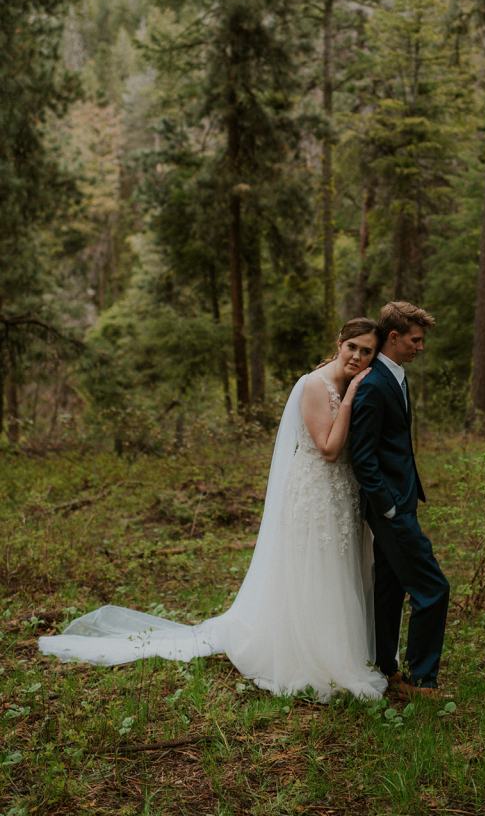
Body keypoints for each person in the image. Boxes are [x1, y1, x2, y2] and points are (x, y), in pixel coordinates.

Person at [38, 318, 387, 702]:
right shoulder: (316, 385)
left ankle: (339, 646)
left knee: (336, 570)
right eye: (352, 346)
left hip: (340, 493)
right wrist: (353, 396)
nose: (356, 355)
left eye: (366, 350)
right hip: (314, 492)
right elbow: (329, 448)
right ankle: (308, 654)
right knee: (313, 568)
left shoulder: (349, 382)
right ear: (339, 342)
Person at [350, 301, 449, 697]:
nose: (420, 347)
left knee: (389, 588)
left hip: (402, 499)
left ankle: (386, 668)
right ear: (394, 337)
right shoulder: (374, 385)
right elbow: (363, 455)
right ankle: (422, 679)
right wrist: (388, 506)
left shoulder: (397, 376)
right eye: (415, 339)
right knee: (433, 588)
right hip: (389, 507)